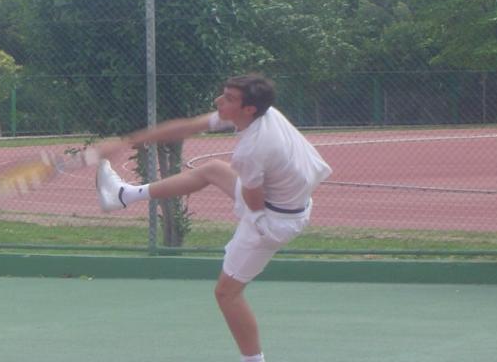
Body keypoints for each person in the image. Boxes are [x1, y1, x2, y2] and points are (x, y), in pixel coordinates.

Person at [93, 74, 331, 362]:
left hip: (271, 220)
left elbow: (253, 199)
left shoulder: (254, 148)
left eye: (228, 98)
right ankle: (123, 195)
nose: (218, 101)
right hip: (285, 204)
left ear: (248, 109)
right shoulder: (262, 115)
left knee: (227, 294)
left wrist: (256, 223)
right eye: (223, 94)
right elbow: (189, 126)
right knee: (213, 170)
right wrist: (127, 141)